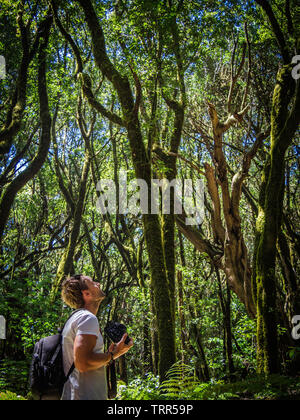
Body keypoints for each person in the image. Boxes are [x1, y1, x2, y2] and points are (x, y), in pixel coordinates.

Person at [60, 274, 133, 400]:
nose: (98, 283)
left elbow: (84, 361)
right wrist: (113, 354)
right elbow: (82, 363)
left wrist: (111, 354)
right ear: (86, 293)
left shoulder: (76, 318)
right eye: (93, 283)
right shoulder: (87, 318)